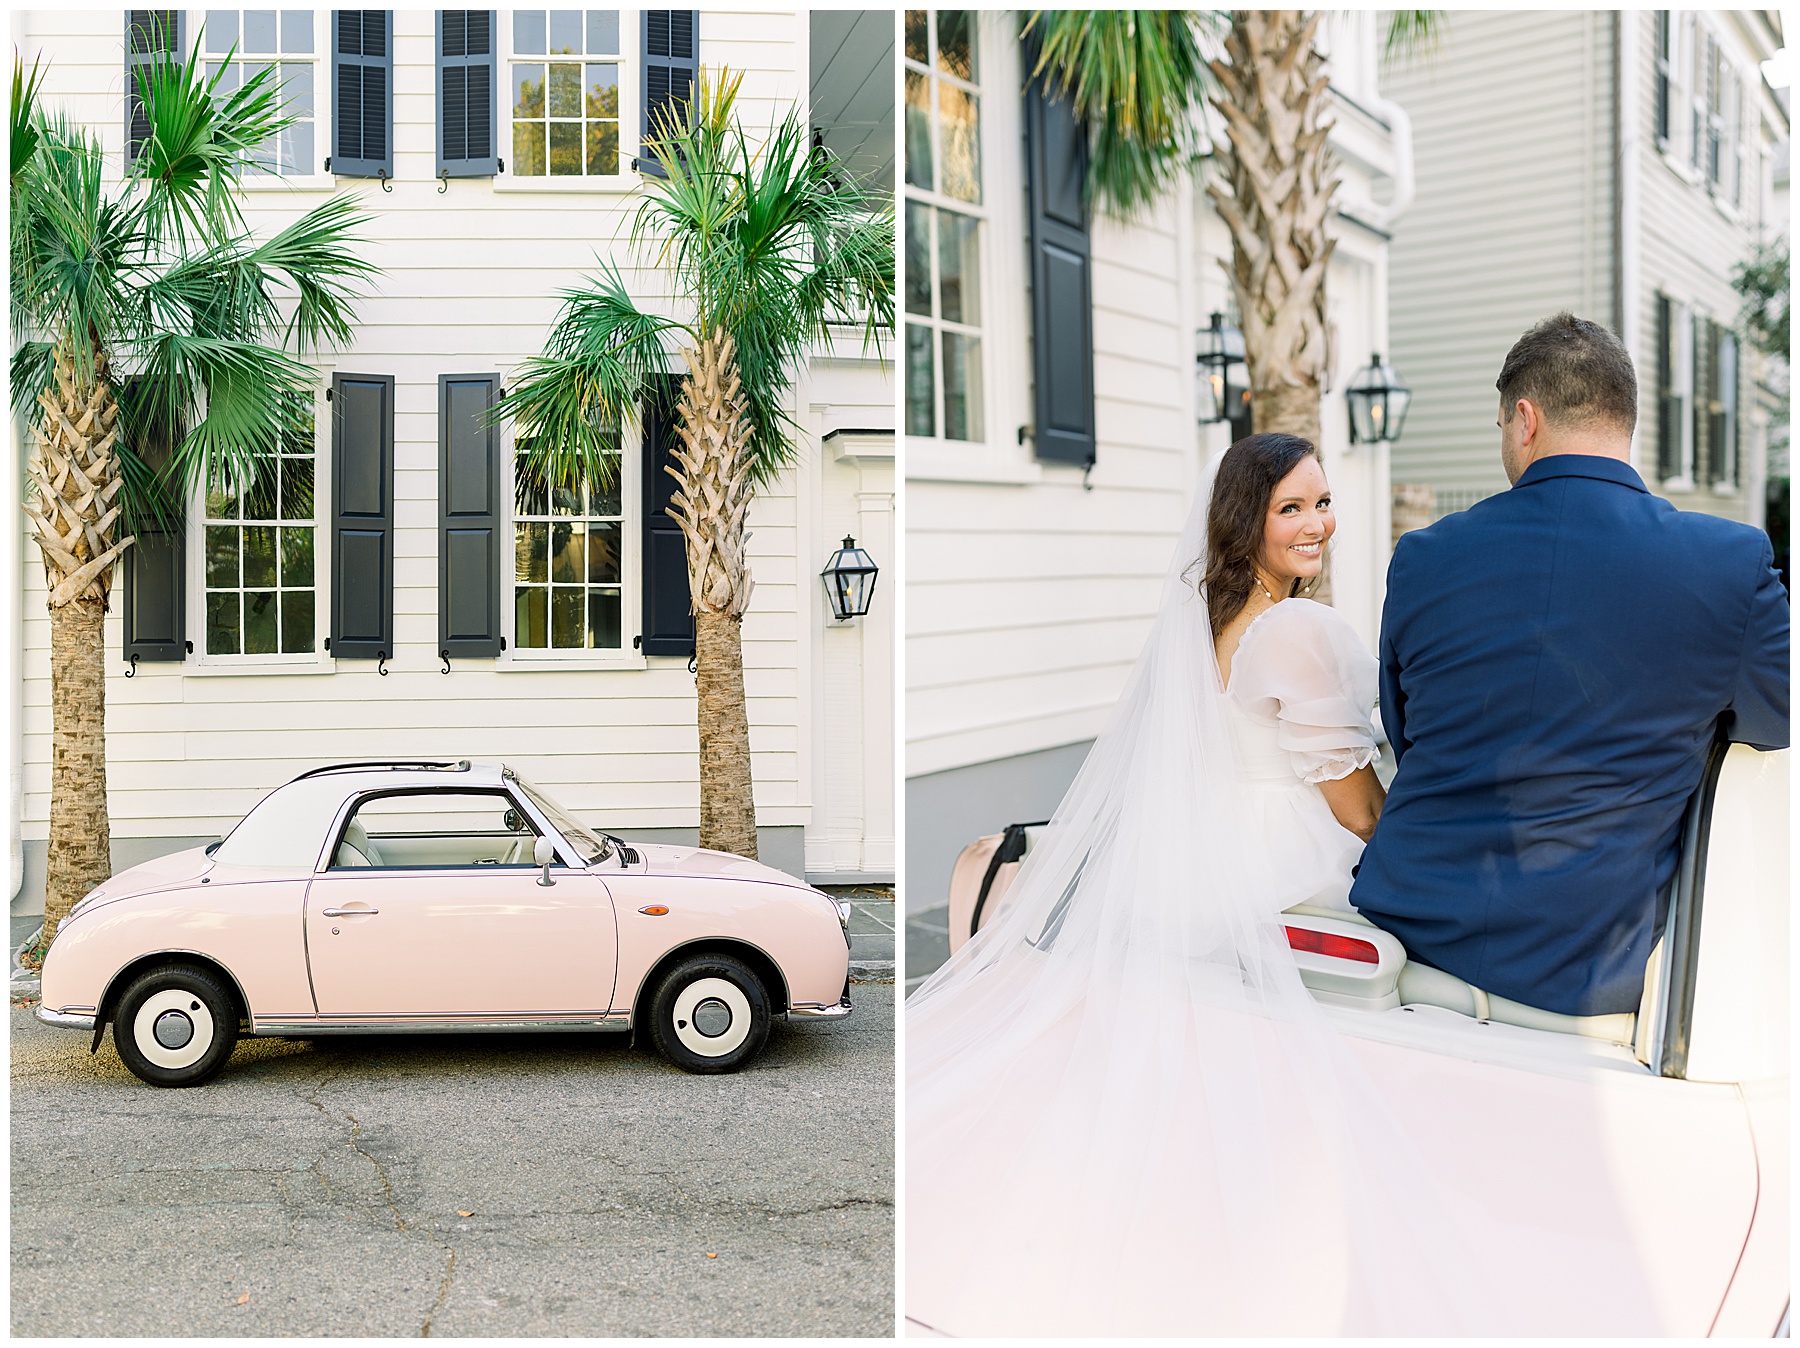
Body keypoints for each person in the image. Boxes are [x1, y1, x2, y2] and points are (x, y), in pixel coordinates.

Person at [908, 436, 1526, 1337]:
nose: (1318, 523)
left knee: (1192, 1055)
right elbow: (1356, 809)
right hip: (1285, 854)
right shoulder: (1299, 630)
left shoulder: (1205, 622)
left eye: (1321, 502)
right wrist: (1430, 851)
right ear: (1249, 522)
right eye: (1292, 509)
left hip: (1195, 859)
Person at [1351, 313, 1790, 1017]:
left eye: (1501, 427)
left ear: (1525, 419)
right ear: (1626, 421)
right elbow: (1774, 727)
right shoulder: (1731, 565)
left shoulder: (1424, 557)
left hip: (1404, 940)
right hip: (1583, 975)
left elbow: (1408, 731)